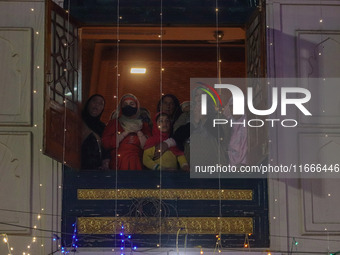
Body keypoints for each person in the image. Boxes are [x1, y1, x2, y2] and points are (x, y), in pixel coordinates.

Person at [102, 94, 151, 170]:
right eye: (125, 104)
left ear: (137, 106)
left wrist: (138, 132)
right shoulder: (114, 123)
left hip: (137, 163)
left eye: (132, 104)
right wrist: (124, 134)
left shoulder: (143, 125)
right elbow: (105, 143)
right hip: (117, 163)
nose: (128, 106)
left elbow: (149, 146)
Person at [81, 94, 110, 170]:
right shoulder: (77, 120)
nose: (97, 105)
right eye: (94, 101)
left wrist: (105, 164)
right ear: (88, 103)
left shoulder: (102, 127)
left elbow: (106, 148)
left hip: (94, 169)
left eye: (101, 104)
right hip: (76, 165)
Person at [224, 97, 247, 166]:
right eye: (231, 107)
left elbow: (246, 146)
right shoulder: (227, 122)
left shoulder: (246, 123)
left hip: (244, 163)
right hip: (229, 161)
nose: (234, 110)